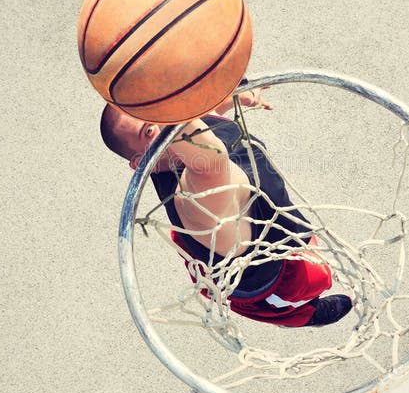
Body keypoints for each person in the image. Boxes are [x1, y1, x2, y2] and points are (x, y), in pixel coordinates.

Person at [100, 87, 352, 327]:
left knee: (301, 239)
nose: (164, 115)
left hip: (272, 226)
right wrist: (152, 86)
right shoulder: (193, 194)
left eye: (154, 107)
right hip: (273, 280)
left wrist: (234, 97)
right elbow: (209, 159)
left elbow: (199, 115)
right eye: (148, 128)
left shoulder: (183, 130)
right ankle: (304, 315)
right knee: (309, 289)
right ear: (142, 163)